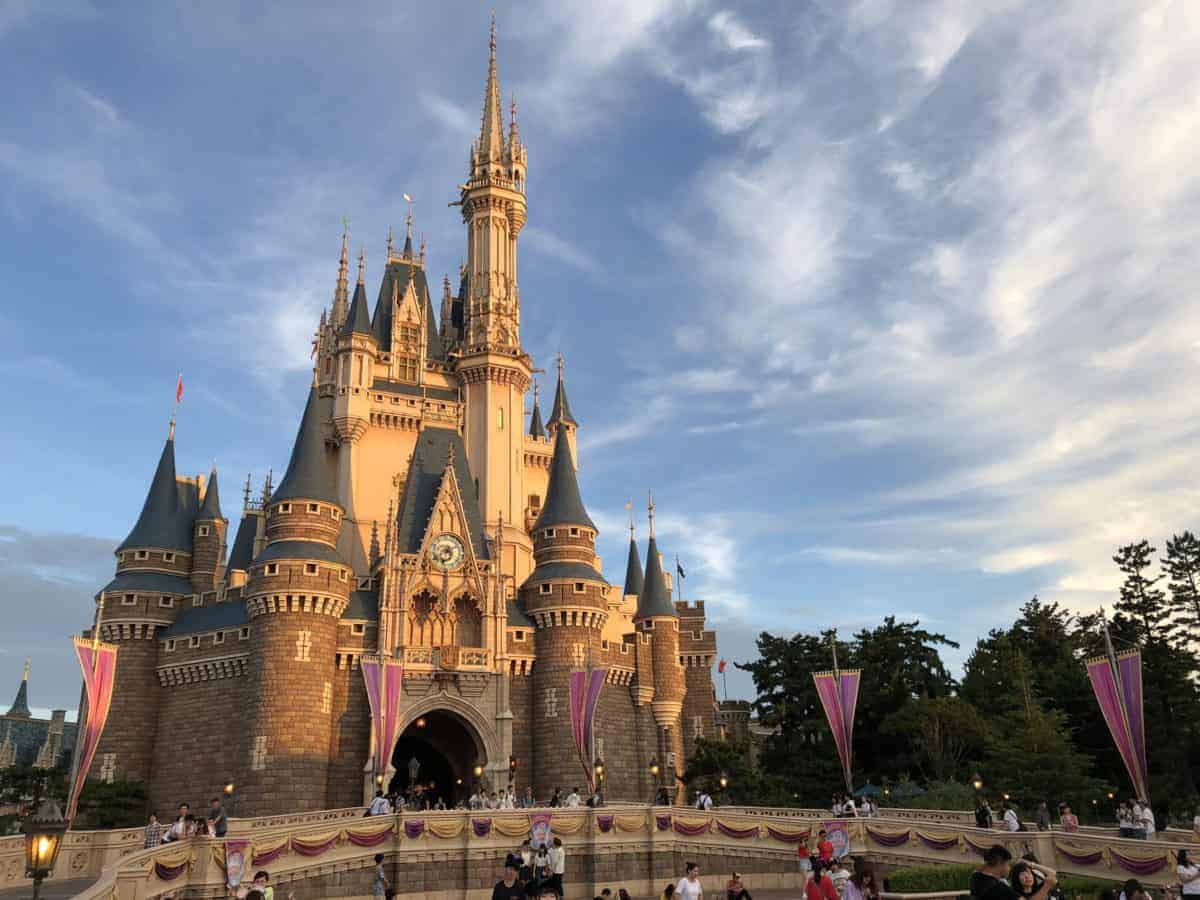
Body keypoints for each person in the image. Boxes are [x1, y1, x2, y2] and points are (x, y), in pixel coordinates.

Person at [969, 845, 1056, 900]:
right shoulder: (999, 888)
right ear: (1000, 863)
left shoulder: (975, 877)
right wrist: (1046, 886)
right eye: (1008, 865)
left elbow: (981, 868)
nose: (1009, 868)